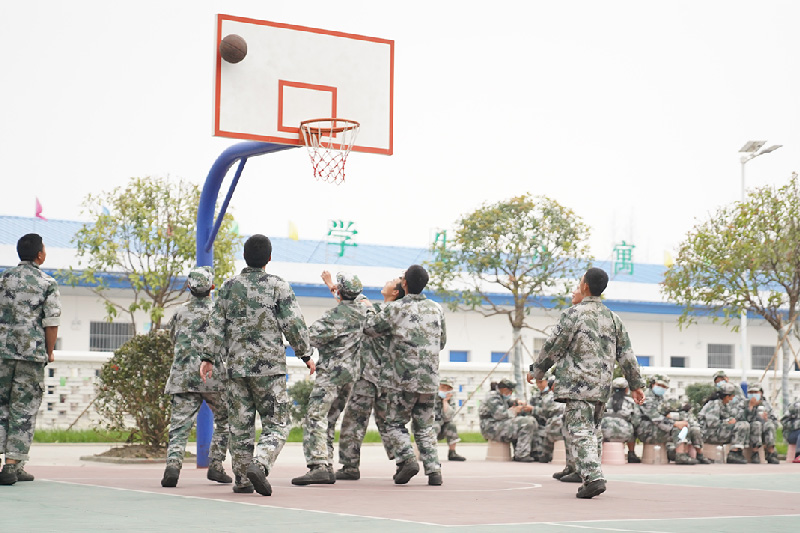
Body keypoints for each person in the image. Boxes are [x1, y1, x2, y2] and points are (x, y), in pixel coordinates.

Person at [200, 234, 314, 496]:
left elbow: (216, 325)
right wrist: (305, 354)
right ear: (269, 259)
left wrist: (207, 357)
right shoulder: (278, 286)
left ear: (245, 256)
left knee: (240, 426)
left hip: (236, 369)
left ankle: (242, 479)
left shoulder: (228, 287)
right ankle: (259, 464)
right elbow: (293, 324)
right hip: (269, 370)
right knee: (277, 423)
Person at [527, 267, 645, 499]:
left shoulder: (573, 314)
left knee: (580, 431)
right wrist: (636, 384)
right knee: (593, 431)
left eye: (580, 281)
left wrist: (537, 370)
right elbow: (627, 355)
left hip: (577, 385)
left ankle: (593, 477)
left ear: (585, 286)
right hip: (601, 387)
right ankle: (588, 476)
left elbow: (554, 346)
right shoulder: (613, 319)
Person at [364, 264, 446, 486]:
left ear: (405, 284)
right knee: (425, 426)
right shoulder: (436, 308)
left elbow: (369, 329)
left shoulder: (395, 309)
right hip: (430, 379)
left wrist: (370, 309)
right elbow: (443, 341)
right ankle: (434, 471)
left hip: (402, 379)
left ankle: (407, 458)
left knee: (393, 422)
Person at [292, 272, 368, 485]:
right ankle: (327, 463)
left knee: (315, 417)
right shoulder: (364, 312)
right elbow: (355, 301)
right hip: (350, 376)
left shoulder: (335, 316)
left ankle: (318, 465)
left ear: (341, 292)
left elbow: (308, 338)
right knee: (330, 419)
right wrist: (332, 286)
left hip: (331, 375)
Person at [161, 267, 231, 488]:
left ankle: (173, 467)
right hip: (214, 377)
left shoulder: (180, 313)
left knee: (179, 426)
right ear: (212, 287)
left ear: (188, 287)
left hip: (182, 377)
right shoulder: (219, 312)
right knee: (225, 421)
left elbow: (172, 338)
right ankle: (216, 466)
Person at [0, 234, 61, 486]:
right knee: (23, 408)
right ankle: (12, 465)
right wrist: (49, 351)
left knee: (1, 405)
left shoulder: (4, 279)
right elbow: (51, 322)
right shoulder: (47, 283)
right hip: (30, 354)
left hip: (2, 352)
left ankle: (10, 463)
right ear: (39, 255)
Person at [336, 276, 403, 480]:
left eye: (394, 281)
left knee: (354, 420)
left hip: (369, 375)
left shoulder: (383, 311)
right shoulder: (399, 312)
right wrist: (331, 284)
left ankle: (350, 466)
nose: (388, 281)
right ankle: (404, 460)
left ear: (396, 292)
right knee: (388, 422)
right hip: (387, 378)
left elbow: (355, 303)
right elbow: (349, 298)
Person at [479, 378, 537, 462]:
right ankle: (521, 454)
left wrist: (517, 403)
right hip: (491, 427)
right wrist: (515, 410)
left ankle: (530, 452)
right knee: (524, 422)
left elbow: (508, 403)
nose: (510, 394)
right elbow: (499, 414)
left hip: (498, 425)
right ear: (505, 390)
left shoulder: (500, 396)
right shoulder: (492, 396)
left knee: (531, 420)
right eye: (510, 392)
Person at [698, 381, 749, 464]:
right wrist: (728, 422)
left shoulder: (725, 405)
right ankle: (733, 453)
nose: (732, 398)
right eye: (732, 396)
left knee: (743, 424)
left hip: (718, 431)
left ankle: (738, 450)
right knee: (741, 425)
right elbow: (712, 423)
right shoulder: (715, 404)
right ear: (727, 396)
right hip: (710, 434)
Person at [430, 378, 466, 461]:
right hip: (429, 425)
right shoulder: (431, 397)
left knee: (451, 425)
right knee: (435, 425)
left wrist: (445, 402)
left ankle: (452, 452)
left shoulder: (450, 400)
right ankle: (428, 452)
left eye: (447, 389)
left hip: (442, 424)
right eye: (443, 388)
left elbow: (448, 417)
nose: (445, 390)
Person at [743, 382, 779, 464]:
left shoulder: (766, 404)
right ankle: (755, 453)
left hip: (764, 429)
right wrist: (751, 408)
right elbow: (743, 419)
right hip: (750, 429)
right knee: (756, 424)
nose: (753, 395)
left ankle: (771, 453)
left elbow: (775, 421)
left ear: (761, 393)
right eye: (751, 393)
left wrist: (767, 419)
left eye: (755, 392)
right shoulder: (744, 403)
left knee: (769, 425)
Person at [601, 377, 640, 451]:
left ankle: (602, 453)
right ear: (626, 389)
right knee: (634, 431)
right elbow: (636, 421)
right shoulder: (631, 402)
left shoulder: (605, 401)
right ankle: (631, 453)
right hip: (624, 434)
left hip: (604, 434)